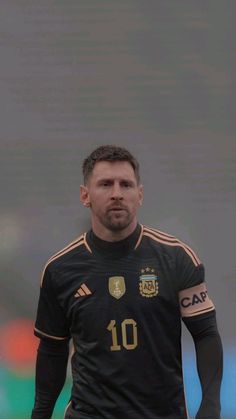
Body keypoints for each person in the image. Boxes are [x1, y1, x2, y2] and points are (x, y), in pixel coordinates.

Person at [31, 145, 223, 419]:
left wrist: (211, 405)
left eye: (126, 185)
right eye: (106, 184)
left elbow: (205, 334)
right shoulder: (60, 270)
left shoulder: (177, 258)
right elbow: (52, 349)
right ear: (85, 195)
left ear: (140, 195)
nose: (117, 193)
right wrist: (40, 413)